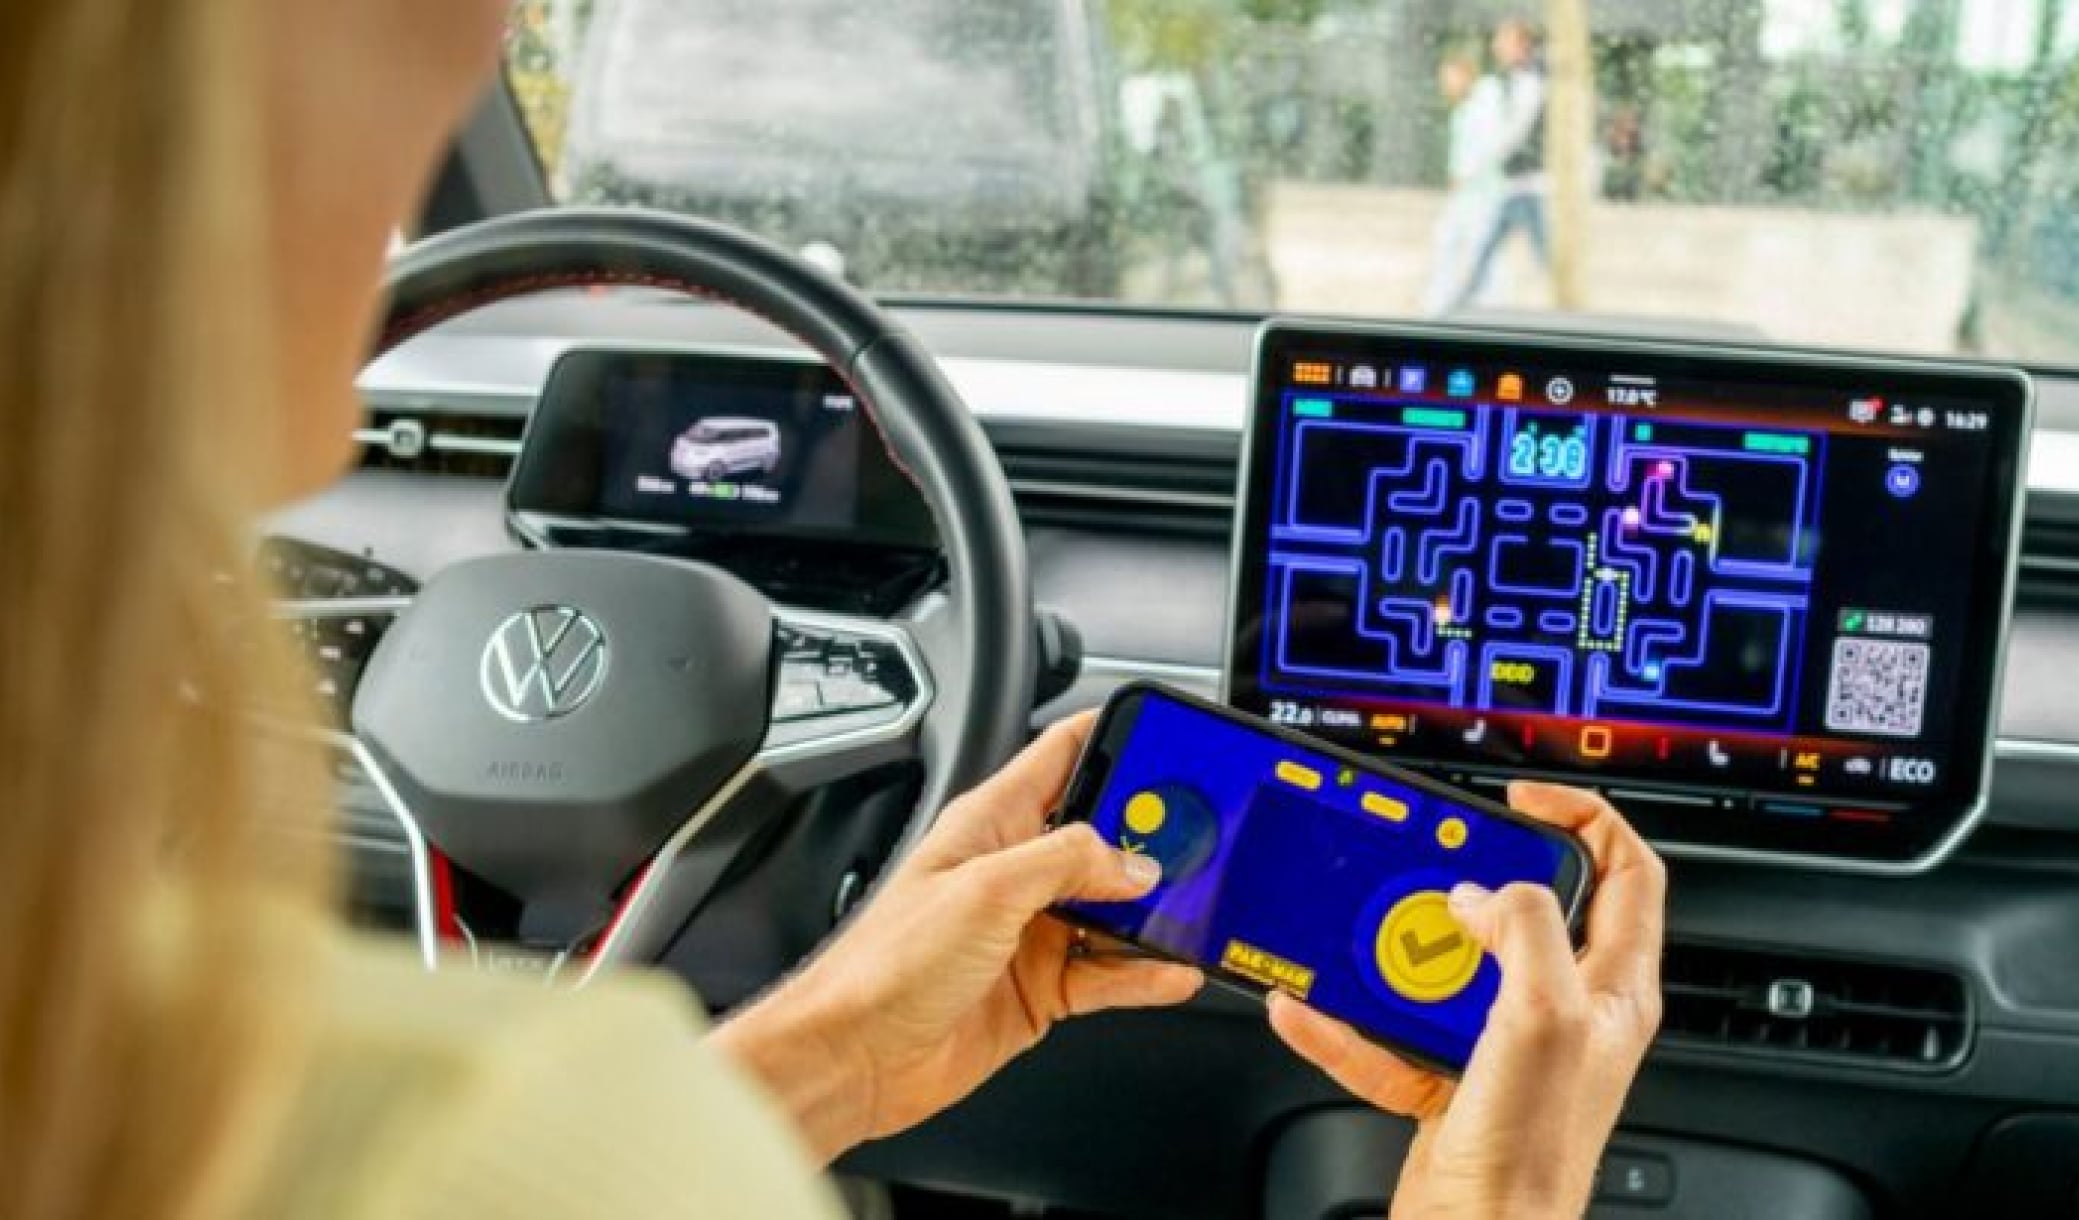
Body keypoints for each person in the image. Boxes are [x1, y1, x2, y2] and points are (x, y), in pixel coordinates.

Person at [0, 3, 1667, 1218]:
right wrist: (1499, 1192)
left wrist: (834, 1053)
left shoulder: (185, 1085)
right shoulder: (487, 1128)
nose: (487, 31)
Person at [1449, 18, 1552, 314]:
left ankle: (1463, 301)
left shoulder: (1530, 79)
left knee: (1525, 247)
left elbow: (1515, 132)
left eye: (1503, 41)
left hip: (1529, 181)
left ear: (1521, 44)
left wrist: (1477, 165)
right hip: (1518, 181)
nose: (1497, 47)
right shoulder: (1514, 79)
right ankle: (1464, 300)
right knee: (1492, 244)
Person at [1424, 50, 1512, 316]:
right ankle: (1441, 302)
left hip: (1483, 193)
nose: (1446, 85)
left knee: (1478, 247)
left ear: (1465, 76)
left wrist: (1463, 173)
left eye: (1449, 78)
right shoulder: (1465, 110)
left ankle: (1490, 304)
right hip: (1467, 193)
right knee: (1449, 242)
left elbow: (1487, 146)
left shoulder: (1484, 105)